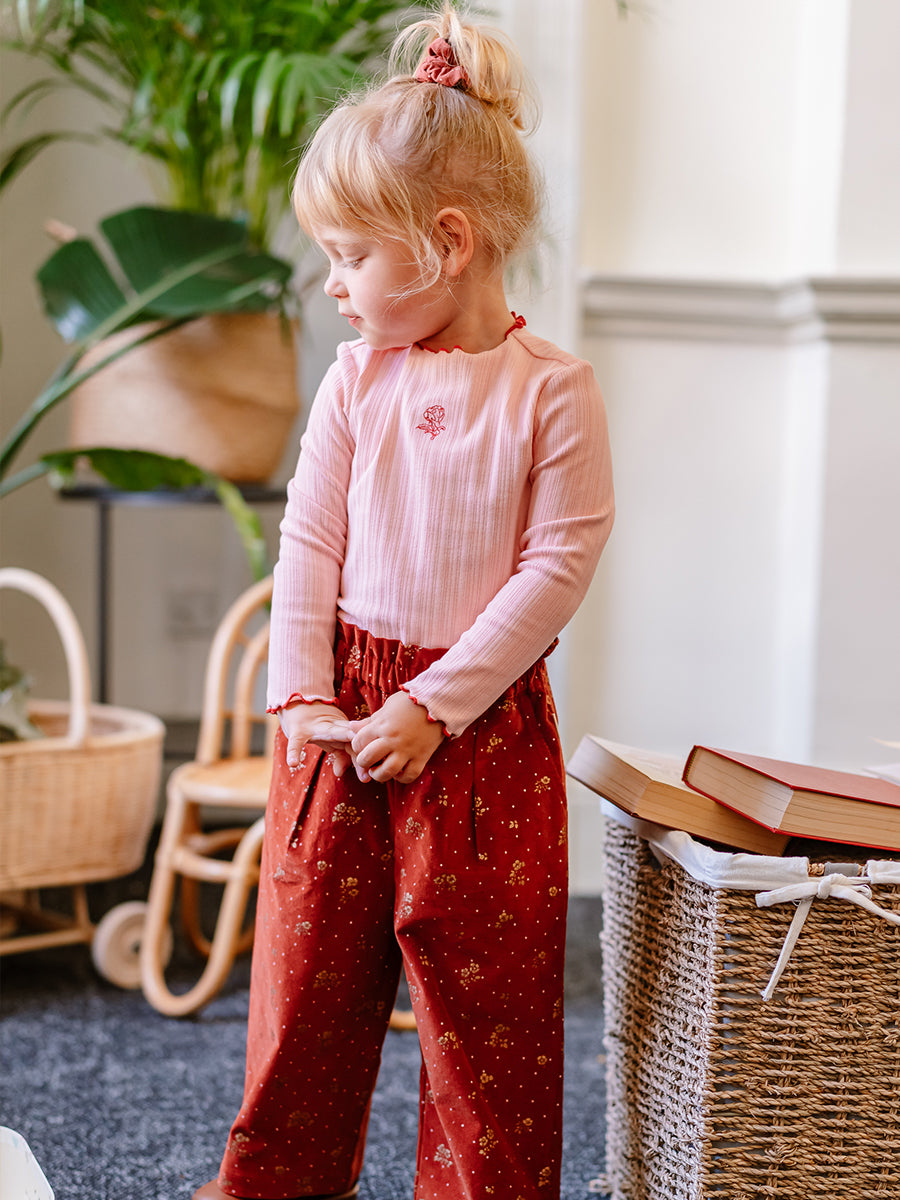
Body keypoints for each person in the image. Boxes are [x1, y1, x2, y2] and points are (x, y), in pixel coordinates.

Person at [193, 4, 614, 1198]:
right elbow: (309, 537)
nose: (331, 285)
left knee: (485, 999)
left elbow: (555, 569)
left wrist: (433, 706)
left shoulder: (553, 393)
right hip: (339, 715)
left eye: (349, 257)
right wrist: (301, 696)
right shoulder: (355, 379)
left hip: (478, 736)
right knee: (307, 972)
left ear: (446, 243)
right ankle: (276, 1177)